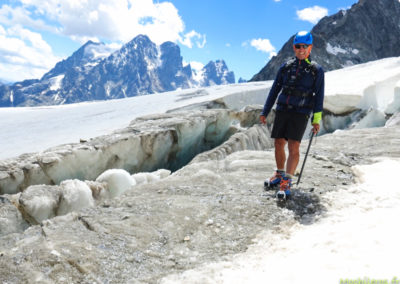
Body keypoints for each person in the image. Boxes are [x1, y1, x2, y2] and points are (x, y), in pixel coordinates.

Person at [260, 31, 325, 200]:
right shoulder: (286, 66)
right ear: (293, 47)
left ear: (310, 47)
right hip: (283, 109)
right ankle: (280, 173)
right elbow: (274, 90)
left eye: (305, 46)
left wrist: (316, 120)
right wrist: (265, 111)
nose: (301, 49)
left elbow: (319, 96)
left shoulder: (316, 70)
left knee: (294, 146)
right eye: (298, 46)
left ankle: (287, 181)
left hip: (300, 113)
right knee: (279, 143)